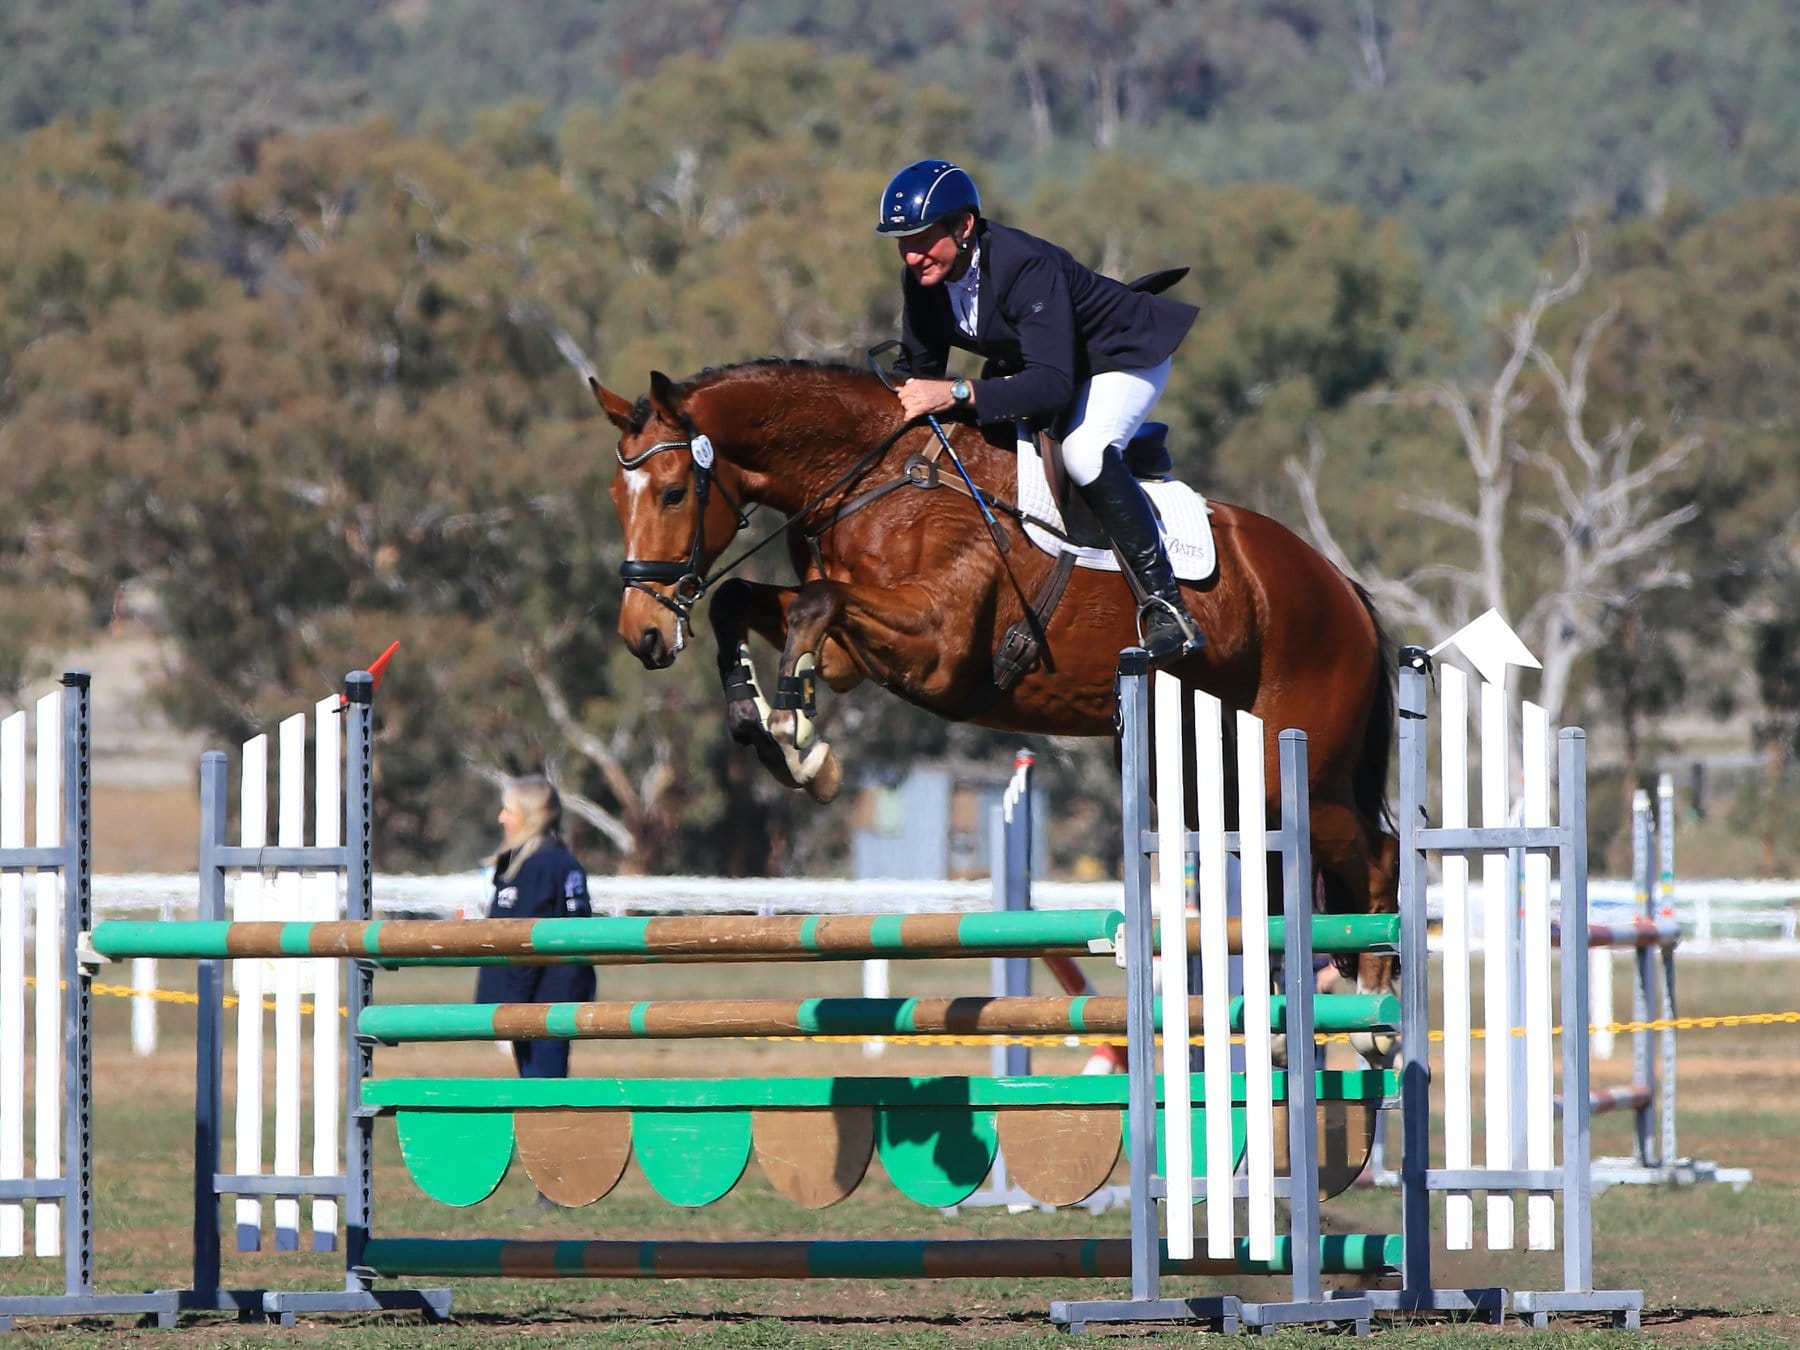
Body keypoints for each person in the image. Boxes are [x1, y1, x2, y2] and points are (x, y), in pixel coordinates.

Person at [877, 158, 1205, 664]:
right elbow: (916, 372)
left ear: (964, 227)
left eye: (922, 238)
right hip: (1049, 363)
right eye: (903, 242)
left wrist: (959, 393)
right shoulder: (923, 280)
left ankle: (1166, 607)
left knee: (1085, 452)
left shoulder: (1022, 264)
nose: (913, 255)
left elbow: (1050, 386)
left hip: (1120, 356)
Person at [474, 775, 595, 1081]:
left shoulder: (538, 866)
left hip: (540, 1005)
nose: (501, 818)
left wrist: (509, 1007)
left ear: (530, 816)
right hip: (540, 1002)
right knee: (536, 1093)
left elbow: (528, 945)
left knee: (542, 1098)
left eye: (509, 810)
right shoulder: (549, 862)